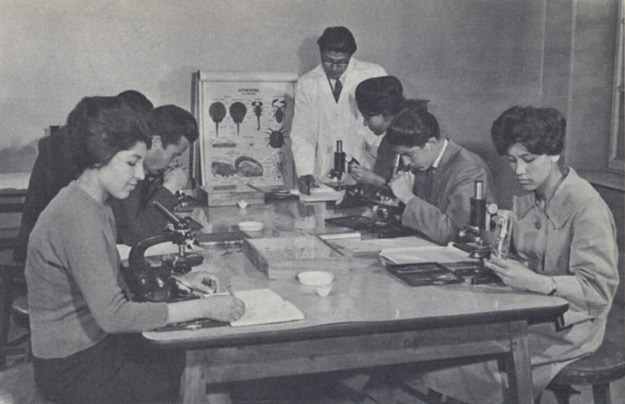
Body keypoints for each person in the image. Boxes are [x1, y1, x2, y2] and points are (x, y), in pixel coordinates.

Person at [25, 96, 245, 404]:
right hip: (73, 366)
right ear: (101, 155)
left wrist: (177, 282)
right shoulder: (76, 217)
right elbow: (115, 315)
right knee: (181, 375)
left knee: (181, 360)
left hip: (91, 348)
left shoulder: (91, 203)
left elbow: (109, 275)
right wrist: (204, 307)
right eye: (131, 162)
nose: (140, 175)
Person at [417, 106, 619, 403]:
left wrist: (540, 283)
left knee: (470, 356)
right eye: (511, 160)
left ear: (554, 154)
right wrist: (494, 239)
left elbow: (598, 289)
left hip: (573, 324)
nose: (518, 171)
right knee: (450, 338)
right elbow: (523, 254)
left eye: (528, 160)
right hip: (530, 309)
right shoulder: (528, 195)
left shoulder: (587, 206)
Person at [13, 89, 153, 261]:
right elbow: (130, 228)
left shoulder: (66, 142)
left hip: (45, 247)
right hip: (43, 255)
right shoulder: (82, 156)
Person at [290, 26, 386, 194]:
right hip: (325, 172)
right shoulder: (307, 83)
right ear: (320, 54)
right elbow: (302, 133)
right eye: (328, 61)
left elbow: (386, 124)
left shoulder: (374, 73)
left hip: (367, 169)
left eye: (341, 63)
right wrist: (305, 172)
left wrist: (376, 165)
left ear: (351, 56)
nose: (334, 68)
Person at [386, 108, 495, 244]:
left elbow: (452, 233)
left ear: (431, 144)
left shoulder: (469, 169)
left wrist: (408, 197)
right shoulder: (425, 162)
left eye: (408, 154)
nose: (406, 162)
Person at [110, 104, 197, 246]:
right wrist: (170, 188)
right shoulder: (124, 170)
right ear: (156, 142)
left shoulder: (140, 167)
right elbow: (137, 237)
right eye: (173, 156)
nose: (172, 163)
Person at [352, 75, 405, 187]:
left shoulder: (405, 143)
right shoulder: (387, 141)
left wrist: (374, 180)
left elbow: (410, 193)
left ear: (384, 114)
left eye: (367, 118)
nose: (365, 124)